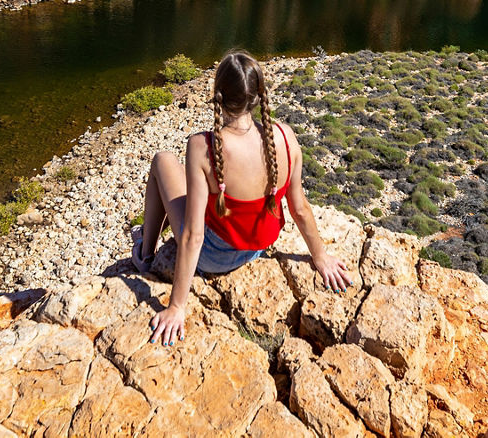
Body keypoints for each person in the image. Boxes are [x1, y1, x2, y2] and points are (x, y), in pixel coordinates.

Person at [133, 50, 353, 346]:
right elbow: (299, 208)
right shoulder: (286, 137)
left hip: (214, 255)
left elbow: (193, 236)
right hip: (258, 247)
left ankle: (145, 257)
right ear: (258, 95)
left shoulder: (203, 146)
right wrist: (320, 257)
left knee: (162, 160)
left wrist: (177, 307)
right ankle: (146, 249)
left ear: (218, 96)